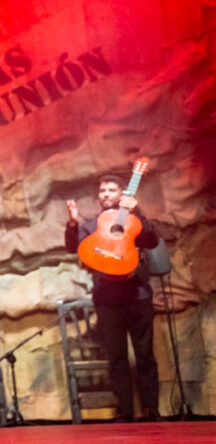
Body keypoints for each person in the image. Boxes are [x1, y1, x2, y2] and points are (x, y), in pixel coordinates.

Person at [65, 174, 160, 422]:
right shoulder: (93, 225)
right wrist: (73, 224)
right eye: (103, 190)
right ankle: (125, 412)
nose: (106, 194)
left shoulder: (132, 221)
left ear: (121, 194)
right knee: (116, 357)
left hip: (137, 295)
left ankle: (152, 410)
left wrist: (137, 210)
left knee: (145, 355)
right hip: (107, 298)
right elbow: (73, 246)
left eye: (111, 189)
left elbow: (151, 239)